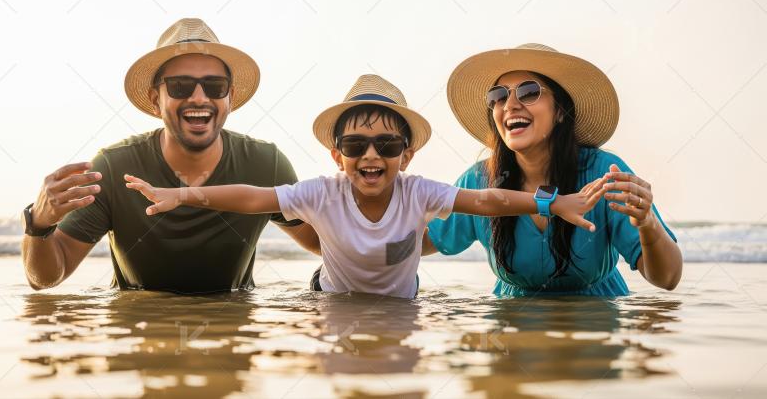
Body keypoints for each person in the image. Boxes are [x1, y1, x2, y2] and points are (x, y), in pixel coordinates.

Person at [125, 74, 608, 299]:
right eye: (355, 146)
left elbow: (486, 200)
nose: (371, 156)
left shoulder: (419, 192)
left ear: (406, 154)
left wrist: (552, 201)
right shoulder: (322, 192)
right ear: (337, 157)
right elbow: (254, 197)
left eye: (386, 144)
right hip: (330, 294)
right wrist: (183, 194)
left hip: (401, 298)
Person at [21, 18, 319, 293]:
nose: (199, 97)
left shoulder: (265, 164)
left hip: (233, 333)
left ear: (230, 98)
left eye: (215, 86)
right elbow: (46, 277)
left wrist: (362, 194)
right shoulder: (114, 168)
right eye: (180, 86)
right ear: (155, 100)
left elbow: (322, 242)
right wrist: (39, 225)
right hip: (139, 333)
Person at [424, 43, 683, 297]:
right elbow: (418, 243)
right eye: (498, 96)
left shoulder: (603, 173)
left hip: (595, 322)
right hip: (511, 327)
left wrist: (647, 223)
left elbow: (668, 279)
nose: (510, 105)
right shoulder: (481, 180)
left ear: (560, 111)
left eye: (528, 92)